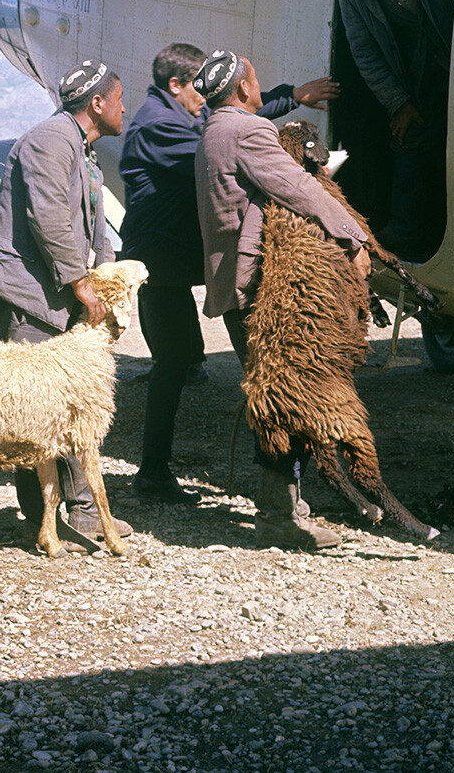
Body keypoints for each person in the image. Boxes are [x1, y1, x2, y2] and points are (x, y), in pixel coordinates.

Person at [119, 44, 339, 504]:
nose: (206, 93)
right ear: (176, 85)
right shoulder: (155, 125)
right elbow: (217, 142)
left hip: (177, 260)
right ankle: (153, 472)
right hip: (159, 264)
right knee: (172, 364)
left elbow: (220, 121)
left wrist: (288, 95)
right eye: (199, 84)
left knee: (179, 362)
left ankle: (155, 471)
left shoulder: (177, 115)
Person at [193, 48, 369, 550]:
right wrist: (351, 236)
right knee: (284, 397)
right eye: (256, 77)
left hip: (231, 283)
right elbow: (295, 188)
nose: (259, 83)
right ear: (246, 89)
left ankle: (289, 506)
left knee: (275, 391)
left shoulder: (212, 130)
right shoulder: (248, 131)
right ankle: (277, 516)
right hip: (258, 289)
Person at [0, 58, 133, 541]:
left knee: (71, 401)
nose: (125, 108)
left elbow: (92, 224)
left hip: (51, 292)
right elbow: (49, 218)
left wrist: (101, 282)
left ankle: (74, 510)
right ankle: (52, 513)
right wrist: (80, 281)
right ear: (97, 103)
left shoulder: (80, 148)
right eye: (119, 98)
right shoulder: (50, 140)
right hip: (21, 295)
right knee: (33, 406)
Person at [333, 0, 454, 259]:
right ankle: (406, 232)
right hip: (418, 74)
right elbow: (365, 53)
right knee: (409, 138)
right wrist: (398, 103)